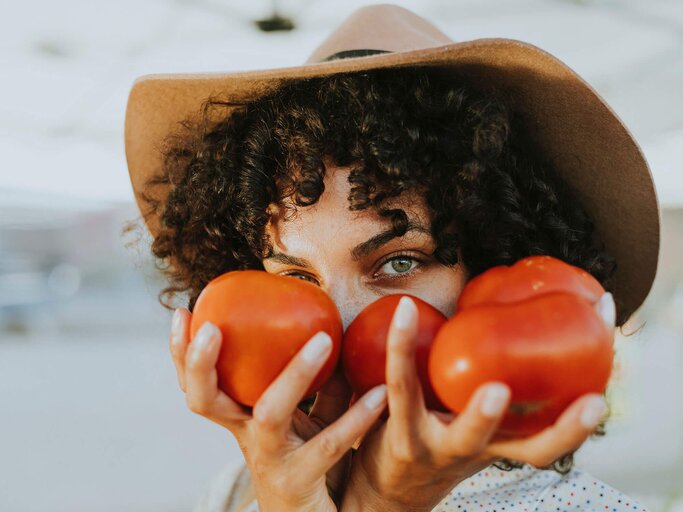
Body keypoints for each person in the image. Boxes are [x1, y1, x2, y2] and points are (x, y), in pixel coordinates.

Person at [124, 4, 659, 511]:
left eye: (399, 263)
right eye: (297, 277)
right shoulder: (240, 491)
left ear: (501, 266)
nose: (338, 325)